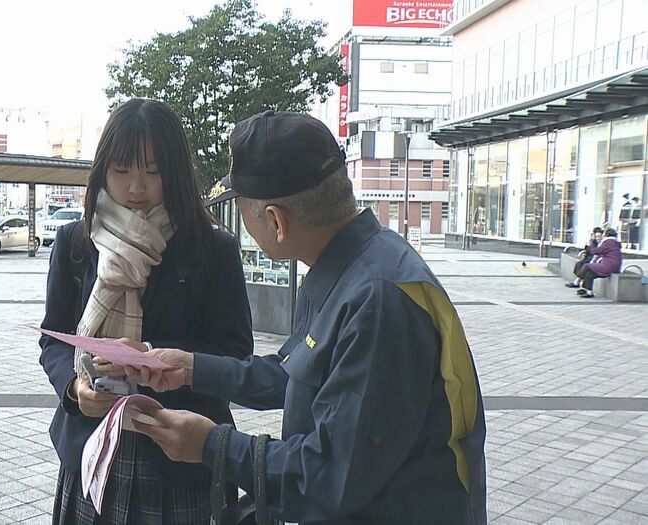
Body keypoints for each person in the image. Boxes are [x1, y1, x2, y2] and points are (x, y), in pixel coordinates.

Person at [125, 111, 487, 524]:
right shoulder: (346, 267)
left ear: (277, 221)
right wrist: (192, 369)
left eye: (242, 208)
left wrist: (211, 445)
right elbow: (290, 374)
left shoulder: (377, 302)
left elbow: (328, 473)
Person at [39, 98, 253, 524]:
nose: (136, 188)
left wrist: (152, 356)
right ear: (103, 171)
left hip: (181, 457)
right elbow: (53, 338)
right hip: (95, 453)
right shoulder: (77, 245)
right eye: (122, 170)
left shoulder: (211, 249)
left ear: (174, 172)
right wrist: (75, 391)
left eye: (152, 171)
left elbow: (234, 354)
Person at [574, 227, 622, 298]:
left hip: (608, 267)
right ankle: (588, 291)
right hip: (613, 267)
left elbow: (596, 251)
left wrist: (591, 246)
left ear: (607, 234)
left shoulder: (608, 242)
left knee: (587, 266)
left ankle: (577, 281)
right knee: (589, 273)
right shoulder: (614, 243)